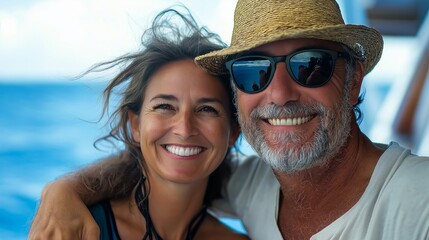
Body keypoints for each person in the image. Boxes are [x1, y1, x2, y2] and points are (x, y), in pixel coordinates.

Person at [29, 0, 429, 239]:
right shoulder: (254, 185)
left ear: (354, 77)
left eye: (311, 66)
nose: (281, 94)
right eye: (253, 71)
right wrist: (64, 190)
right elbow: (175, 164)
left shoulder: (418, 203)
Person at [28, 7, 249, 240]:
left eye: (207, 109)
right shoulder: (80, 229)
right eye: (164, 106)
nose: (184, 129)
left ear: (233, 132)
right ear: (135, 124)